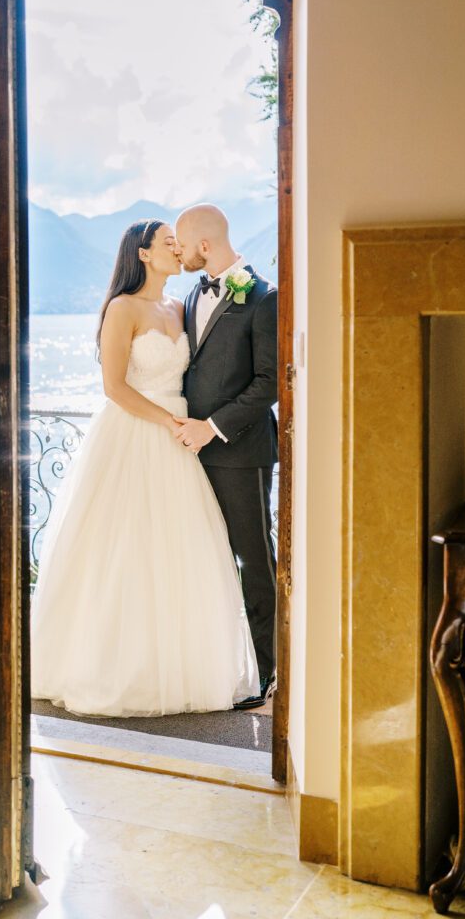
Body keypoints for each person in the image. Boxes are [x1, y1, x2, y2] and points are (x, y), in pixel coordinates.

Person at [30, 218, 259, 717]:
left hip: (181, 440)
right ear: (142, 253)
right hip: (137, 434)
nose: (178, 250)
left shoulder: (180, 307)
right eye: (168, 243)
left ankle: (184, 663)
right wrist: (170, 422)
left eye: (178, 243)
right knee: (126, 548)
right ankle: (117, 666)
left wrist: (188, 424)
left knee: (181, 550)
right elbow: (114, 387)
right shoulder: (122, 308)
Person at [174, 204, 278, 709]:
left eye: (183, 243)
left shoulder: (263, 298)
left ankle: (267, 672)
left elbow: (269, 383)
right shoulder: (192, 293)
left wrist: (211, 428)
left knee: (253, 558)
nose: (179, 251)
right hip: (188, 455)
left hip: (241, 452)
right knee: (204, 558)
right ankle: (217, 664)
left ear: (206, 245)